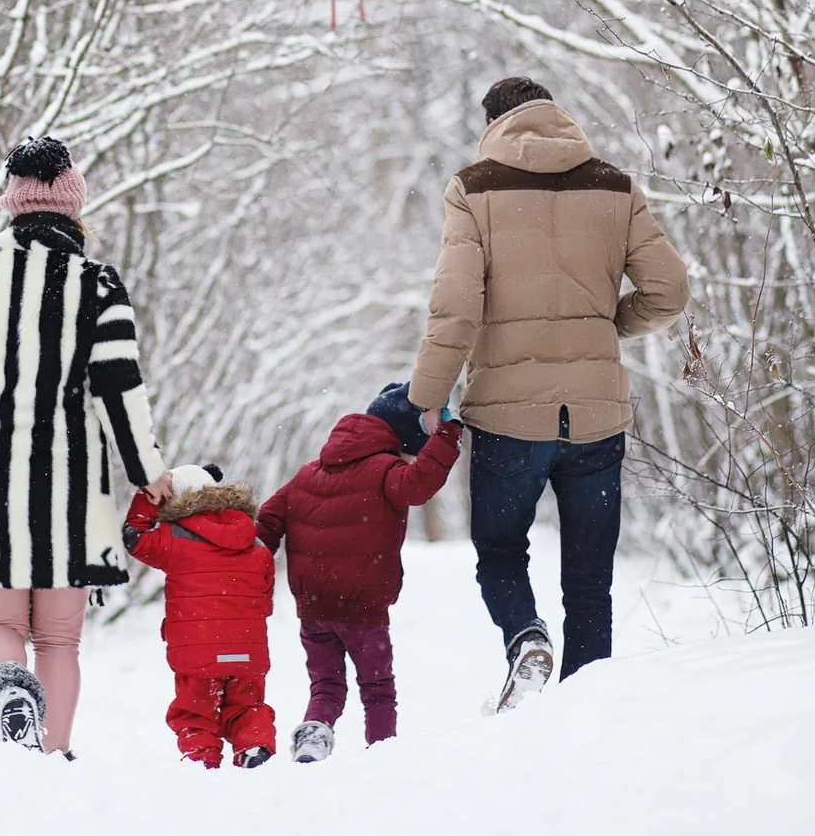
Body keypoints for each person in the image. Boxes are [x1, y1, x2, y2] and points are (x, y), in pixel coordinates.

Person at [408, 77, 690, 709]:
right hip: (596, 414)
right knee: (590, 579)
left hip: (508, 417)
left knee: (500, 550)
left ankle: (525, 638)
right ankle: (586, 708)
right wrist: (607, 327)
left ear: (492, 125)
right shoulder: (615, 186)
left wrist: (427, 395)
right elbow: (669, 290)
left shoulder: (474, 188)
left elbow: (456, 306)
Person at [0, 136, 173, 756]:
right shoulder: (96, 285)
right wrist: (148, 471)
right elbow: (119, 390)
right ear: (74, 206)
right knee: (59, 640)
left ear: (11, 203)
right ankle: (53, 754)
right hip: (70, 485)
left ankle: (11, 704)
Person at [257, 383, 461, 763]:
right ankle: (381, 755)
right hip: (362, 609)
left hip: (313, 608)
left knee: (326, 684)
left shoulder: (307, 474)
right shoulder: (387, 470)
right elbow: (420, 485)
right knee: (378, 687)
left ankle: (314, 735)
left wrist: (242, 566)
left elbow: (267, 523)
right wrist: (447, 434)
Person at [123, 463, 277, 769]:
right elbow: (265, 601)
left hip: (198, 651)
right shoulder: (255, 542)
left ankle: (202, 762)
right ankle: (254, 744)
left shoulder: (173, 538)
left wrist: (149, 492)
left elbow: (134, 537)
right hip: (247, 650)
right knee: (246, 705)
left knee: (196, 712)